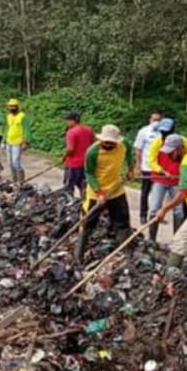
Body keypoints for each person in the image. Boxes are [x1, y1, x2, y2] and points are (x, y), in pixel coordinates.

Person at [77, 124, 135, 261]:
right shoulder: (92, 152)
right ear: (101, 140)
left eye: (112, 143)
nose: (109, 145)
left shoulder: (123, 144)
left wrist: (131, 168)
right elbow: (89, 174)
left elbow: (130, 152)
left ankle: (126, 253)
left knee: (122, 222)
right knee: (87, 224)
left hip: (116, 190)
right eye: (106, 142)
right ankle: (78, 256)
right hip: (96, 193)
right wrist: (99, 192)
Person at [146, 117, 184, 241]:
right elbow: (151, 161)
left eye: (167, 132)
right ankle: (151, 239)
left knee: (178, 211)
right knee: (154, 209)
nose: (164, 135)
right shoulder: (157, 142)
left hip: (176, 181)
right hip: (160, 180)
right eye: (162, 132)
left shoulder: (181, 143)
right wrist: (162, 171)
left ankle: (177, 241)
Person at [133, 108, 163, 224]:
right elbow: (138, 149)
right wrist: (138, 165)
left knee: (158, 193)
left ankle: (156, 215)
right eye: (154, 119)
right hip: (146, 167)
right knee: (145, 192)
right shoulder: (144, 132)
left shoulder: (162, 132)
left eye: (158, 120)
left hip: (159, 168)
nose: (156, 122)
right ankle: (143, 215)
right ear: (150, 120)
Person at [62, 110, 96, 200]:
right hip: (86, 163)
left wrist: (64, 157)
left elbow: (70, 149)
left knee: (68, 187)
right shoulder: (89, 130)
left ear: (73, 121)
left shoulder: (71, 132)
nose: (67, 122)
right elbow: (93, 144)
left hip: (73, 164)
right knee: (84, 185)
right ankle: (85, 203)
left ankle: (69, 205)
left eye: (68, 120)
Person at [4, 97, 33, 185]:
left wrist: (26, 142)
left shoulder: (23, 116)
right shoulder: (8, 116)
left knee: (16, 163)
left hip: (18, 142)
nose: (11, 108)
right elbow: (7, 128)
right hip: (9, 141)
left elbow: (26, 129)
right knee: (10, 163)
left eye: (13, 106)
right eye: (10, 106)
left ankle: (21, 181)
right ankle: (14, 181)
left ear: (17, 107)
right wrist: (4, 140)